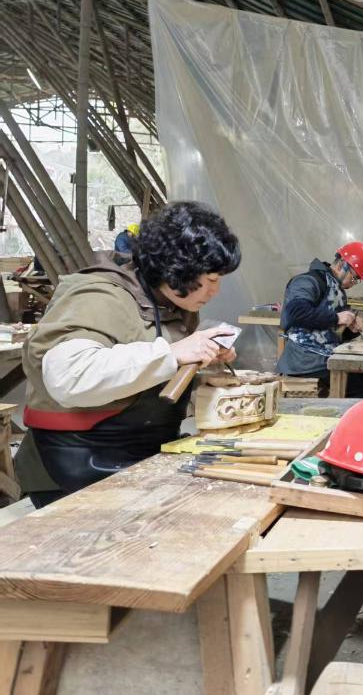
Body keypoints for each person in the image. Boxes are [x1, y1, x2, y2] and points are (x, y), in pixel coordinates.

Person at [16, 202, 241, 507]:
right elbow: (69, 377)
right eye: (211, 280)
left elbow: (145, 370)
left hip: (142, 451)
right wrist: (172, 354)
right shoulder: (99, 295)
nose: (215, 291)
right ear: (177, 271)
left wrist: (204, 366)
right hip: (78, 459)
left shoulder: (171, 302)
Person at [277, 242, 363, 397]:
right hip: (306, 360)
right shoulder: (307, 281)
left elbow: (330, 328)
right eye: (354, 277)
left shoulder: (336, 289)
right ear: (342, 265)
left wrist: (351, 328)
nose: (353, 283)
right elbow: (297, 313)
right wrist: (337, 318)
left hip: (325, 357)